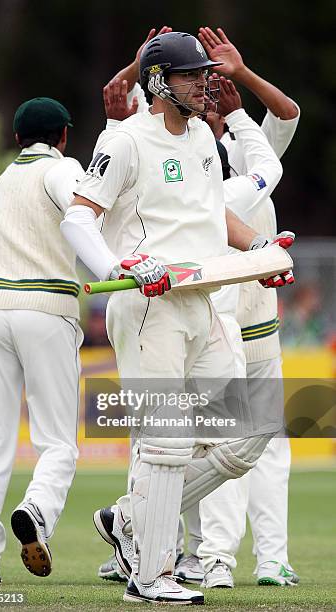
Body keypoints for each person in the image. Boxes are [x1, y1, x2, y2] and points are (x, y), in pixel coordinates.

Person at [61, 32, 294, 605]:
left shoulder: (199, 141)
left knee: (250, 434)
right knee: (167, 443)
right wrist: (124, 266)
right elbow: (78, 218)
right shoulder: (125, 141)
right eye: (192, 75)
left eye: (205, 74)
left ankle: (129, 520)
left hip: (203, 299)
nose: (205, 82)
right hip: (148, 307)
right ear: (161, 82)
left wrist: (261, 250)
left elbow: (211, 217)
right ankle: (151, 576)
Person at [176, 27, 300, 588]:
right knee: (214, 437)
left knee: (266, 442)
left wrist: (242, 76)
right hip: (217, 318)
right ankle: (205, 556)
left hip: (259, 318)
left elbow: (288, 110)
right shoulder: (185, 158)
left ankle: (268, 558)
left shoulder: (253, 147)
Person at [0, 97, 85, 584]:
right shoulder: (64, 169)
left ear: (16, 138)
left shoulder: (3, 178)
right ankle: (36, 510)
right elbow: (84, 212)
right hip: (47, 308)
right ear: (63, 137)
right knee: (57, 442)